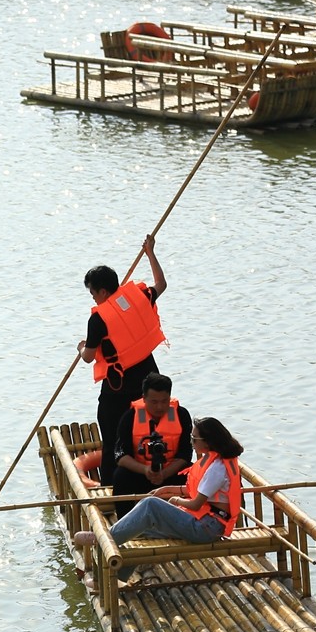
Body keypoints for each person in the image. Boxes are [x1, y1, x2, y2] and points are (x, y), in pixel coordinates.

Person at [78, 236, 167, 492]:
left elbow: (88, 356)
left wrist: (81, 346)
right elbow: (161, 283)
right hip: (150, 382)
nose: (93, 298)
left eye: (93, 293)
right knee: (150, 434)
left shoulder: (98, 320)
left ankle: (110, 491)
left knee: (112, 439)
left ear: (103, 291)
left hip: (118, 389)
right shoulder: (140, 297)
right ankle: (151, 482)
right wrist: (150, 253)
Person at [108, 416, 246, 552]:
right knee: (143, 528)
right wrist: (165, 489)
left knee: (150, 504)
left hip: (207, 528)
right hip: (206, 523)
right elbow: (194, 491)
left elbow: (196, 504)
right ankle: (121, 570)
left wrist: (174, 500)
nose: (191, 442)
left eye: (194, 439)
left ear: (207, 442)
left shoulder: (217, 468)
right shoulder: (214, 460)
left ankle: (105, 541)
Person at [109, 372, 193, 517]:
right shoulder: (130, 417)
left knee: (193, 473)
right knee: (120, 476)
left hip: (170, 473)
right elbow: (120, 455)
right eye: (154, 402)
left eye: (164, 401)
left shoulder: (181, 415)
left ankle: (189, 517)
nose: (160, 407)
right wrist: (146, 470)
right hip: (141, 473)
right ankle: (125, 521)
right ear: (144, 398)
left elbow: (185, 454)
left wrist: (164, 473)